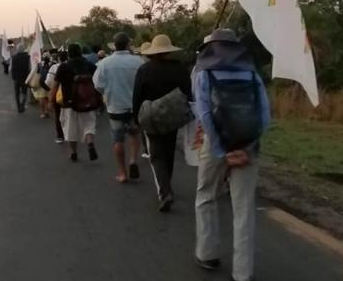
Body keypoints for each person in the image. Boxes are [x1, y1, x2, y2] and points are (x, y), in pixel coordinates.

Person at [193, 29, 270, 281]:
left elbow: (204, 115)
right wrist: (246, 148)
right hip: (248, 147)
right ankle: (242, 272)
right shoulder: (251, 73)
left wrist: (220, 151)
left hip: (215, 146)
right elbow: (264, 117)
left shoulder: (202, 72)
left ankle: (207, 253)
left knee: (206, 196)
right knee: (244, 208)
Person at [133, 34, 191, 212]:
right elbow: (188, 92)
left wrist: (137, 118)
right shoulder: (179, 69)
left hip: (151, 116)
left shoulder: (145, 70)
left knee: (156, 154)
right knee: (169, 150)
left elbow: (137, 96)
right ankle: (168, 183)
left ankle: (165, 192)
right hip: (172, 115)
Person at [94, 33, 143, 183]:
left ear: (114, 45)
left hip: (115, 107)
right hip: (134, 106)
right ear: (128, 44)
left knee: (118, 140)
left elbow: (98, 85)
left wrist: (108, 92)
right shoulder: (138, 62)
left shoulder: (104, 63)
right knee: (135, 134)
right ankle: (133, 160)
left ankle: (122, 173)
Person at [51, 44, 99, 162]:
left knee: (70, 129)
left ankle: (73, 152)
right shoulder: (89, 65)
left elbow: (55, 85)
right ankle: (90, 142)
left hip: (69, 103)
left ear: (69, 54)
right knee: (89, 125)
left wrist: (51, 100)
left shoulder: (63, 67)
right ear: (80, 52)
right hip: (87, 102)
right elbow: (97, 83)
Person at [46, 51, 68, 143]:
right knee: (69, 115)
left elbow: (48, 82)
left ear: (58, 58)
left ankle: (60, 136)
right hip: (70, 93)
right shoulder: (70, 66)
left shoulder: (54, 67)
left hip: (57, 94)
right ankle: (70, 134)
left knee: (58, 115)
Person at [10, 43, 30, 113]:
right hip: (25, 78)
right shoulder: (27, 57)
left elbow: (11, 68)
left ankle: (18, 108)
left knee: (17, 93)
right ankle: (22, 103)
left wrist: (13, 77)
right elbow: (29, 67)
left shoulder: (14, 57)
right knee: (25, 93)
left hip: (16, 78)